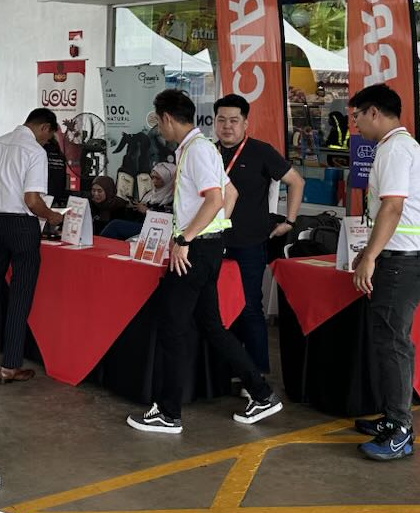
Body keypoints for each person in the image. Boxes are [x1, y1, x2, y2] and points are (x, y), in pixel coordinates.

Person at [127, 89, 282, 434]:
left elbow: (215, 199)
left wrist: (187, 238)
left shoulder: (197, 150)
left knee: (172, 327)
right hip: (207, 249)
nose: (159, 130)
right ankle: (261, 393)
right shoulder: (201, 148)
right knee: (211, 326)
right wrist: (214, 231)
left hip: (194, 252)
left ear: (168, 118)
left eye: (159, 122)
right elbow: (230, 194)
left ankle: (168, 412)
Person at [347, 83, 420, 461]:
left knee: (394, 342)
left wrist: (371, 255)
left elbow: (393, 207)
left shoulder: (395, 149)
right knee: (387, 339)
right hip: (399, 256)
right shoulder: (394, 146)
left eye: (356, 116)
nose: (354, 124)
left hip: (404, 260)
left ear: (374, 112)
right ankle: (391, 417)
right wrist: (371, 252)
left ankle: (401, 430)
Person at [213, 93, 305, 373]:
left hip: (248, 243)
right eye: (221, 120)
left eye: (233, 120)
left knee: (249, 306)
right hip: (212, 242)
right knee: (217, 307)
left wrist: (290, 221)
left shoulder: (260, 151)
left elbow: (296, 182)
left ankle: (257, 374)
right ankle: (226, 371)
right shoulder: (208, 152)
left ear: (245, 123)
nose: (227, 126)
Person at [0, 108, 65, 384]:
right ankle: (10, 365)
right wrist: (52, 216)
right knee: (20, 293)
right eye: (48, 137)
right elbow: (32, 200)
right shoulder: (35, 152)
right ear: (44, 128)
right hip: (22, 227)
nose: (46, 141)